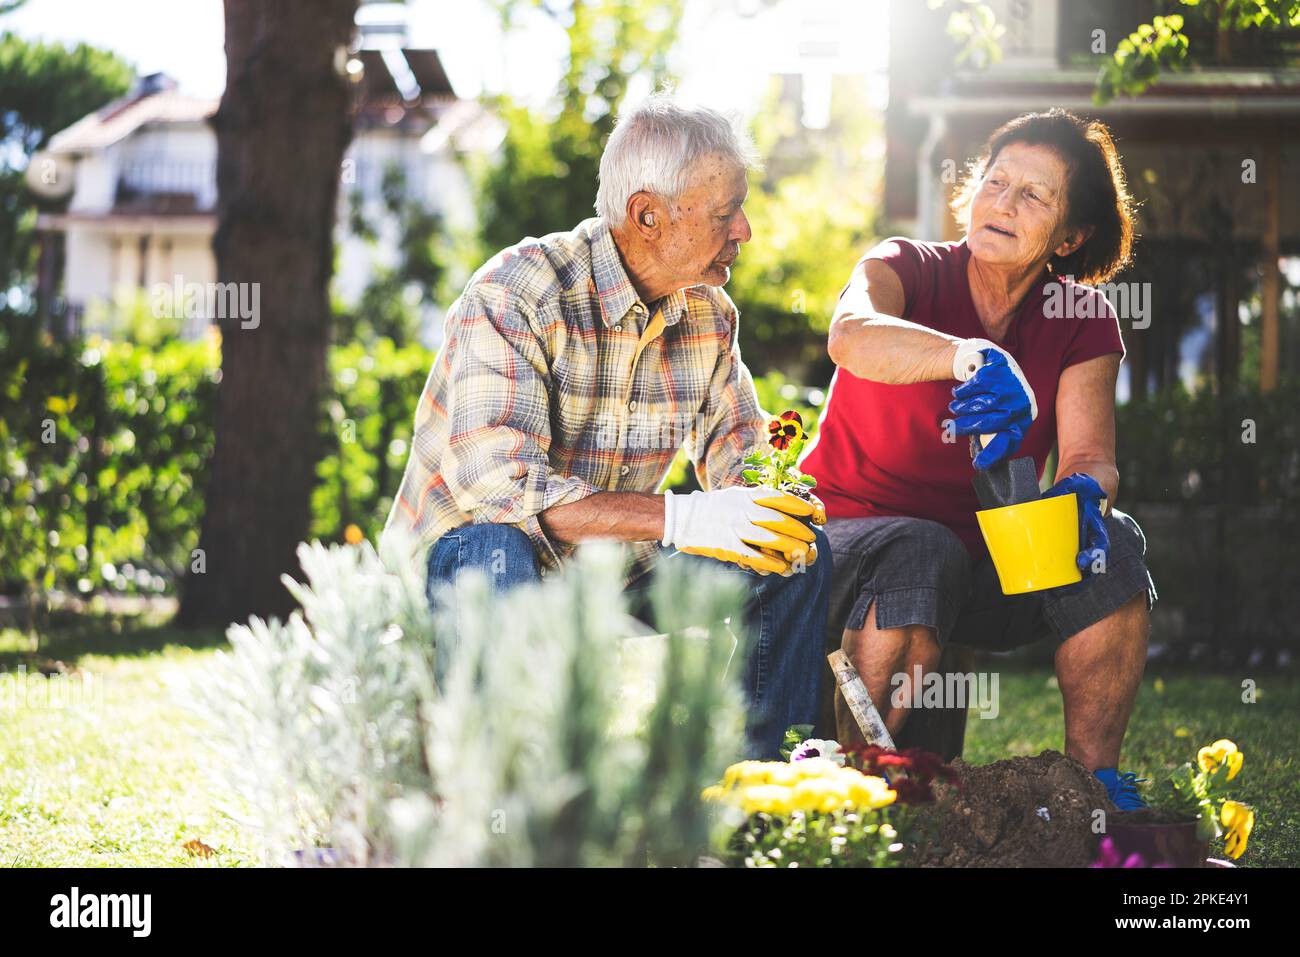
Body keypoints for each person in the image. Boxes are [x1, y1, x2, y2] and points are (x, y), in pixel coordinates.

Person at [383, 93, 830, 760]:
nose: (745, 230)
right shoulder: (518, 292)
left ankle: (764, 795)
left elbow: (741, 450)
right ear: (647, 214)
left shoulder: (708, 314)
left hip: (607, 565)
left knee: (793, 552)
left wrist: (766, 504)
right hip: (471, 565)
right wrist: (688, 519)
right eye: (723, 213)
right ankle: (497, 806)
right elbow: (499, 492)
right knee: (495, 548)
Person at [802, 109, 1157, 809]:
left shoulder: (1081, 317)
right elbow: (851, 335)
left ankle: (1093, 792)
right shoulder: (904, 266)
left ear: (1071, 236)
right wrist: (968, 355)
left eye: (1035, 196)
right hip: (845, 545)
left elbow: (1091, 455)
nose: (1004, 202)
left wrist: (1085, 492)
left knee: (1112, 546)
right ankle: (855, 794)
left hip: (985, 558)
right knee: (922, 546)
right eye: (996, 182)